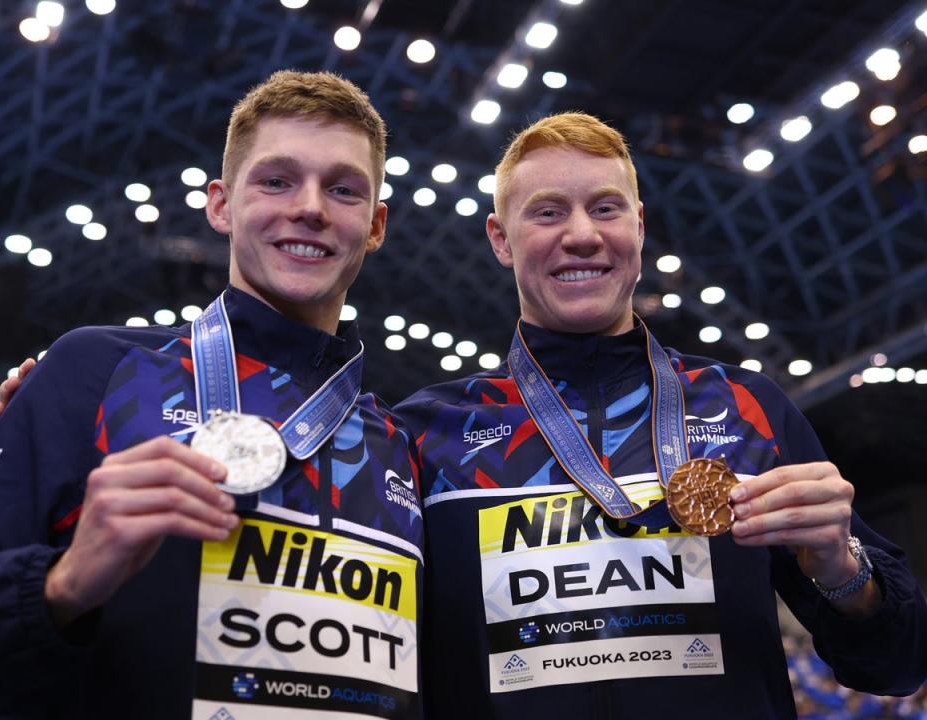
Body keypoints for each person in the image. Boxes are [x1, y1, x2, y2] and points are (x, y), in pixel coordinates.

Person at [394, 112, 927, 719]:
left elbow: (898, 664)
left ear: (639, 226)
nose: (582, 235)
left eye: (605, 208)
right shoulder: (428, 433)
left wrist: (842, 567)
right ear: (500, 238)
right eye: (547, 212)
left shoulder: (745, 407)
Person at [0, 70, 424, 720]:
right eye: (276, 180)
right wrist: (61, 586)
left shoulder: (398, 445)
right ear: (221, 205)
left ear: (375, 225)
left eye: (343, 189)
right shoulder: (97, 371)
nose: (311, 207)